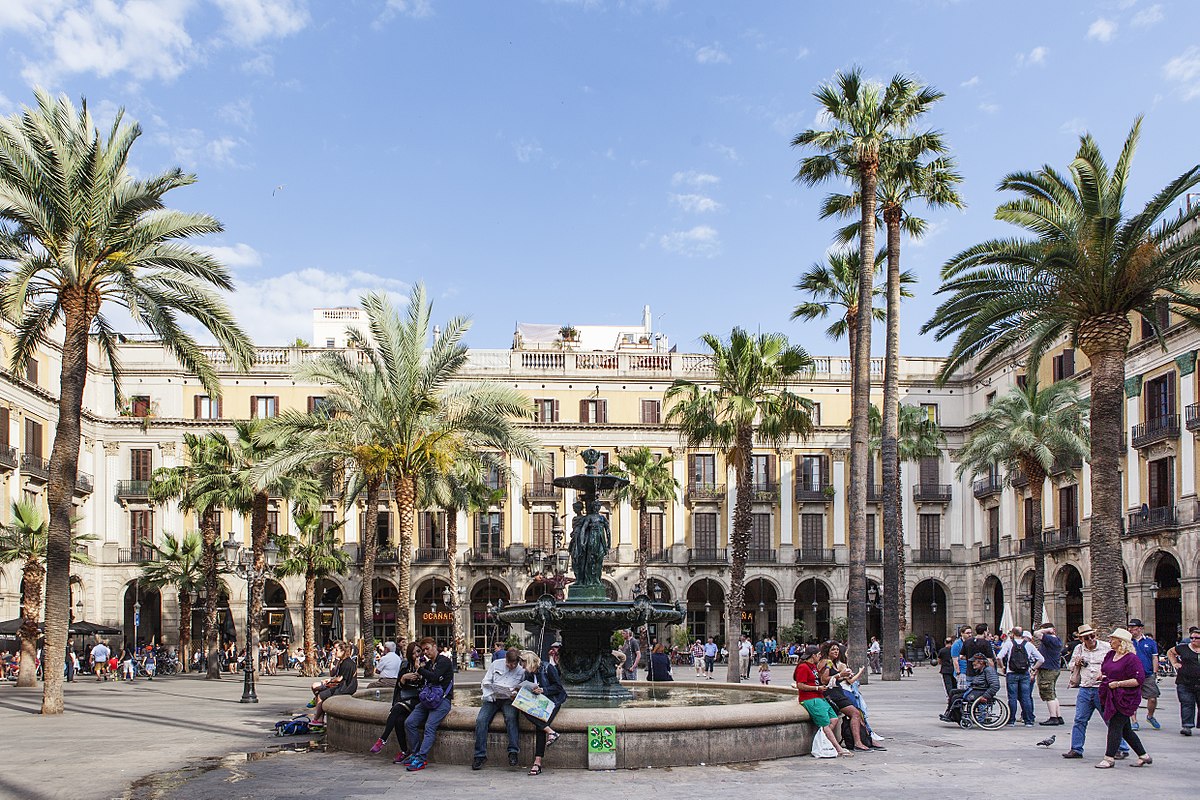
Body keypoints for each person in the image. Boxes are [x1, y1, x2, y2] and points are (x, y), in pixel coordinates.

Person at [1062, 624, 1127, 760]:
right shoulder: (1079, 649)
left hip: (1102, 688)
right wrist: (1076, 663)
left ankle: (1121, 747)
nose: (1091, 639)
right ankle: (1076, 748)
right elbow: (1070, 666)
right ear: (1081, 639)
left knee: (1109, 719)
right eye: (1087, 638)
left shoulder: (1106, 647)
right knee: (1080, 719)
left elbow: (1117, 662)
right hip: (1085, 688)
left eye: (1092, 636)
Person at [1096, 628, 1151, 768]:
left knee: (1115, 726)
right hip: (1111, 696)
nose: (1110, 641)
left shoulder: (1131, 658)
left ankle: (1109, 758)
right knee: (1126, 730)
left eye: (1113, 639)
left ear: (1121, 642)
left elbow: (1138, 680)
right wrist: (1102, 676)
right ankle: (1144, 755)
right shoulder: (1110, 655)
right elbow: (1105, 670)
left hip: (1126, 698)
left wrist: (1118, 684)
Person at [400, 637, 454, 772]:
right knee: (410, 722)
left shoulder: (444, 661)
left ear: (434, 646)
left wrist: (420, 669)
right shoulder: (429, 664)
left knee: (429, 726)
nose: (425, 652)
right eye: (423, 650)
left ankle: (421, 758)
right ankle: (415, 753)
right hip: (429, 699)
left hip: (442, 700)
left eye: (427, 649)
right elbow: (426, 679)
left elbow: (435, 677)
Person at [793, 645, 853, 758]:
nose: (820, 656)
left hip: (820, 697)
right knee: (825, 724)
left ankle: (823, 741)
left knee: (834, 718)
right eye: (818, 655)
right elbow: (800, 685)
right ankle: (838, 748)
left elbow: (820, 679)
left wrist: (828, 670)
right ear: (813, 655)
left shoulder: (813, 666)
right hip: (811, 699)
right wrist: (816, 688)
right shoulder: (803, 667)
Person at [471, 647, 524, 769]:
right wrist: (489, 691)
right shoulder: (496, 664)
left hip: (508, 699)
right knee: (481, 720)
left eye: (513, 665)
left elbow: (522, 688)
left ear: (517, 662)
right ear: (505, 659)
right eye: (508, 663)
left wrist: (515, 693)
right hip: (493, 698)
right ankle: (479, 755)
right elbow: (486, 680)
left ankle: (513, 752)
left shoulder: (521, 671)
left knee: (511, 718)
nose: (510, 666)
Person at [518, 650, 567, 776]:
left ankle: (537, 763)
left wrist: (543, 690)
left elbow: (558, 688)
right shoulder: (529, 673)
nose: (522, 667)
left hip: (552, 701)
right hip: (539, 701)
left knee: (540, 725)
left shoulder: (548, 668)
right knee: (522, 707)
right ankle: (551, 732)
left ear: (530, 662)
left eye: (523, 664)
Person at [370, 642, 421, 761]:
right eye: (413, 653)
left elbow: (427, 683)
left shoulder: (425, 665)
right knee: (399, 720)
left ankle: (383, 739)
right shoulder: (405, 665)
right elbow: (399, 686)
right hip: (405, 698)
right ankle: (404, 751)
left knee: (397, 708)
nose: (416, 655)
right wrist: (404, 678)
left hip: (418, 699)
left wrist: (420, 672)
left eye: (418, 651)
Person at [817, 641, 871, 751]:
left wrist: (843, 676)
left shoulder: (830, 662)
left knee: (857, 713)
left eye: (837, 649)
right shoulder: (827, 662)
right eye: (833, 649)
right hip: (833, 694)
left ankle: (863, 740)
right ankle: (858, 743)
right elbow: (824, 680)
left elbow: (833, 678)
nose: (836, 651)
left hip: (837, 692)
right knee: (855, 713)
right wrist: (840, 674)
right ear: (827, 651)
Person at [996, 626, 1044, 727]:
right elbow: (1041, 659)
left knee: (1012, 698)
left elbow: (999, 657)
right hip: (1025, 673)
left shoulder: (1009, 644)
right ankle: (1028, 720)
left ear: (1013, 634)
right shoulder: (1029, 645)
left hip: (1011, 673)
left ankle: (1011, 720)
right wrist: (1033, 668)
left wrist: (1002, 667)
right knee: (1026, 697)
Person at [311, 641, 358, 727]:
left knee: (321, 696)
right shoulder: (346, 661)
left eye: (337, 650)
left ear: (343, 651)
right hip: (346, 687)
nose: (334, 651)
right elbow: (334, 674)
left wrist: (329, 681)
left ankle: (316, 719)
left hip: (344, 689)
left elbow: (339, 679)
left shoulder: (346, 663)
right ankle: (319, 719)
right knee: (320, 692)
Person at [1166, 626, 1200, 736]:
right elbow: (1170, 652)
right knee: (1187, 703)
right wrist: (1174, 663)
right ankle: (1187, 726)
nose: (1193, 640)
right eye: (1192, 638)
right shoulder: (1183, 648)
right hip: (1185, 681)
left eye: (1196, 638)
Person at [1127, 619, 1160, 730]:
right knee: (1132, 698)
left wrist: (1155, 672)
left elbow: (1154, 657)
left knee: (1152, 698)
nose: (1131, 630)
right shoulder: (1127, 642)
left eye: (1133, 628)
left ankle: (1150, 716)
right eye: (1129, 627)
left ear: (1140, 628)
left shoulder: (1150, 642)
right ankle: (1134, 721)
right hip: (1132, 675)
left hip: (1147, 674)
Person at [1033, 623, 1065, 725]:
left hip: (1047, 670)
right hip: (1053, 669)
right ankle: (1058, 716)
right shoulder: (1057, 640)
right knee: (1052, 693)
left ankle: (1053, 717)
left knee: (1048, 693)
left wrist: (1046, 630)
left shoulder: (1050, 639)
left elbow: (1036, 633)